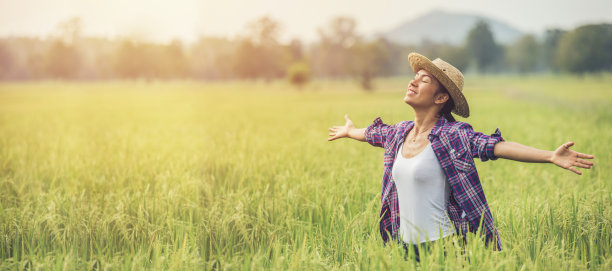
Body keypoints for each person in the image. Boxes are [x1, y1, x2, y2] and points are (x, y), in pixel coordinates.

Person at [327, 52, 595, 260]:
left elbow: (496, 147)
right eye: (415, 76)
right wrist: (351, 131)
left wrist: (550, 155)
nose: (413, 81)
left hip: (442, 248)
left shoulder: (454, 135)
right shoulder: (398, 133)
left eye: (424, 80)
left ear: (441, 97)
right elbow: (373, 133)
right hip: (403, 247)